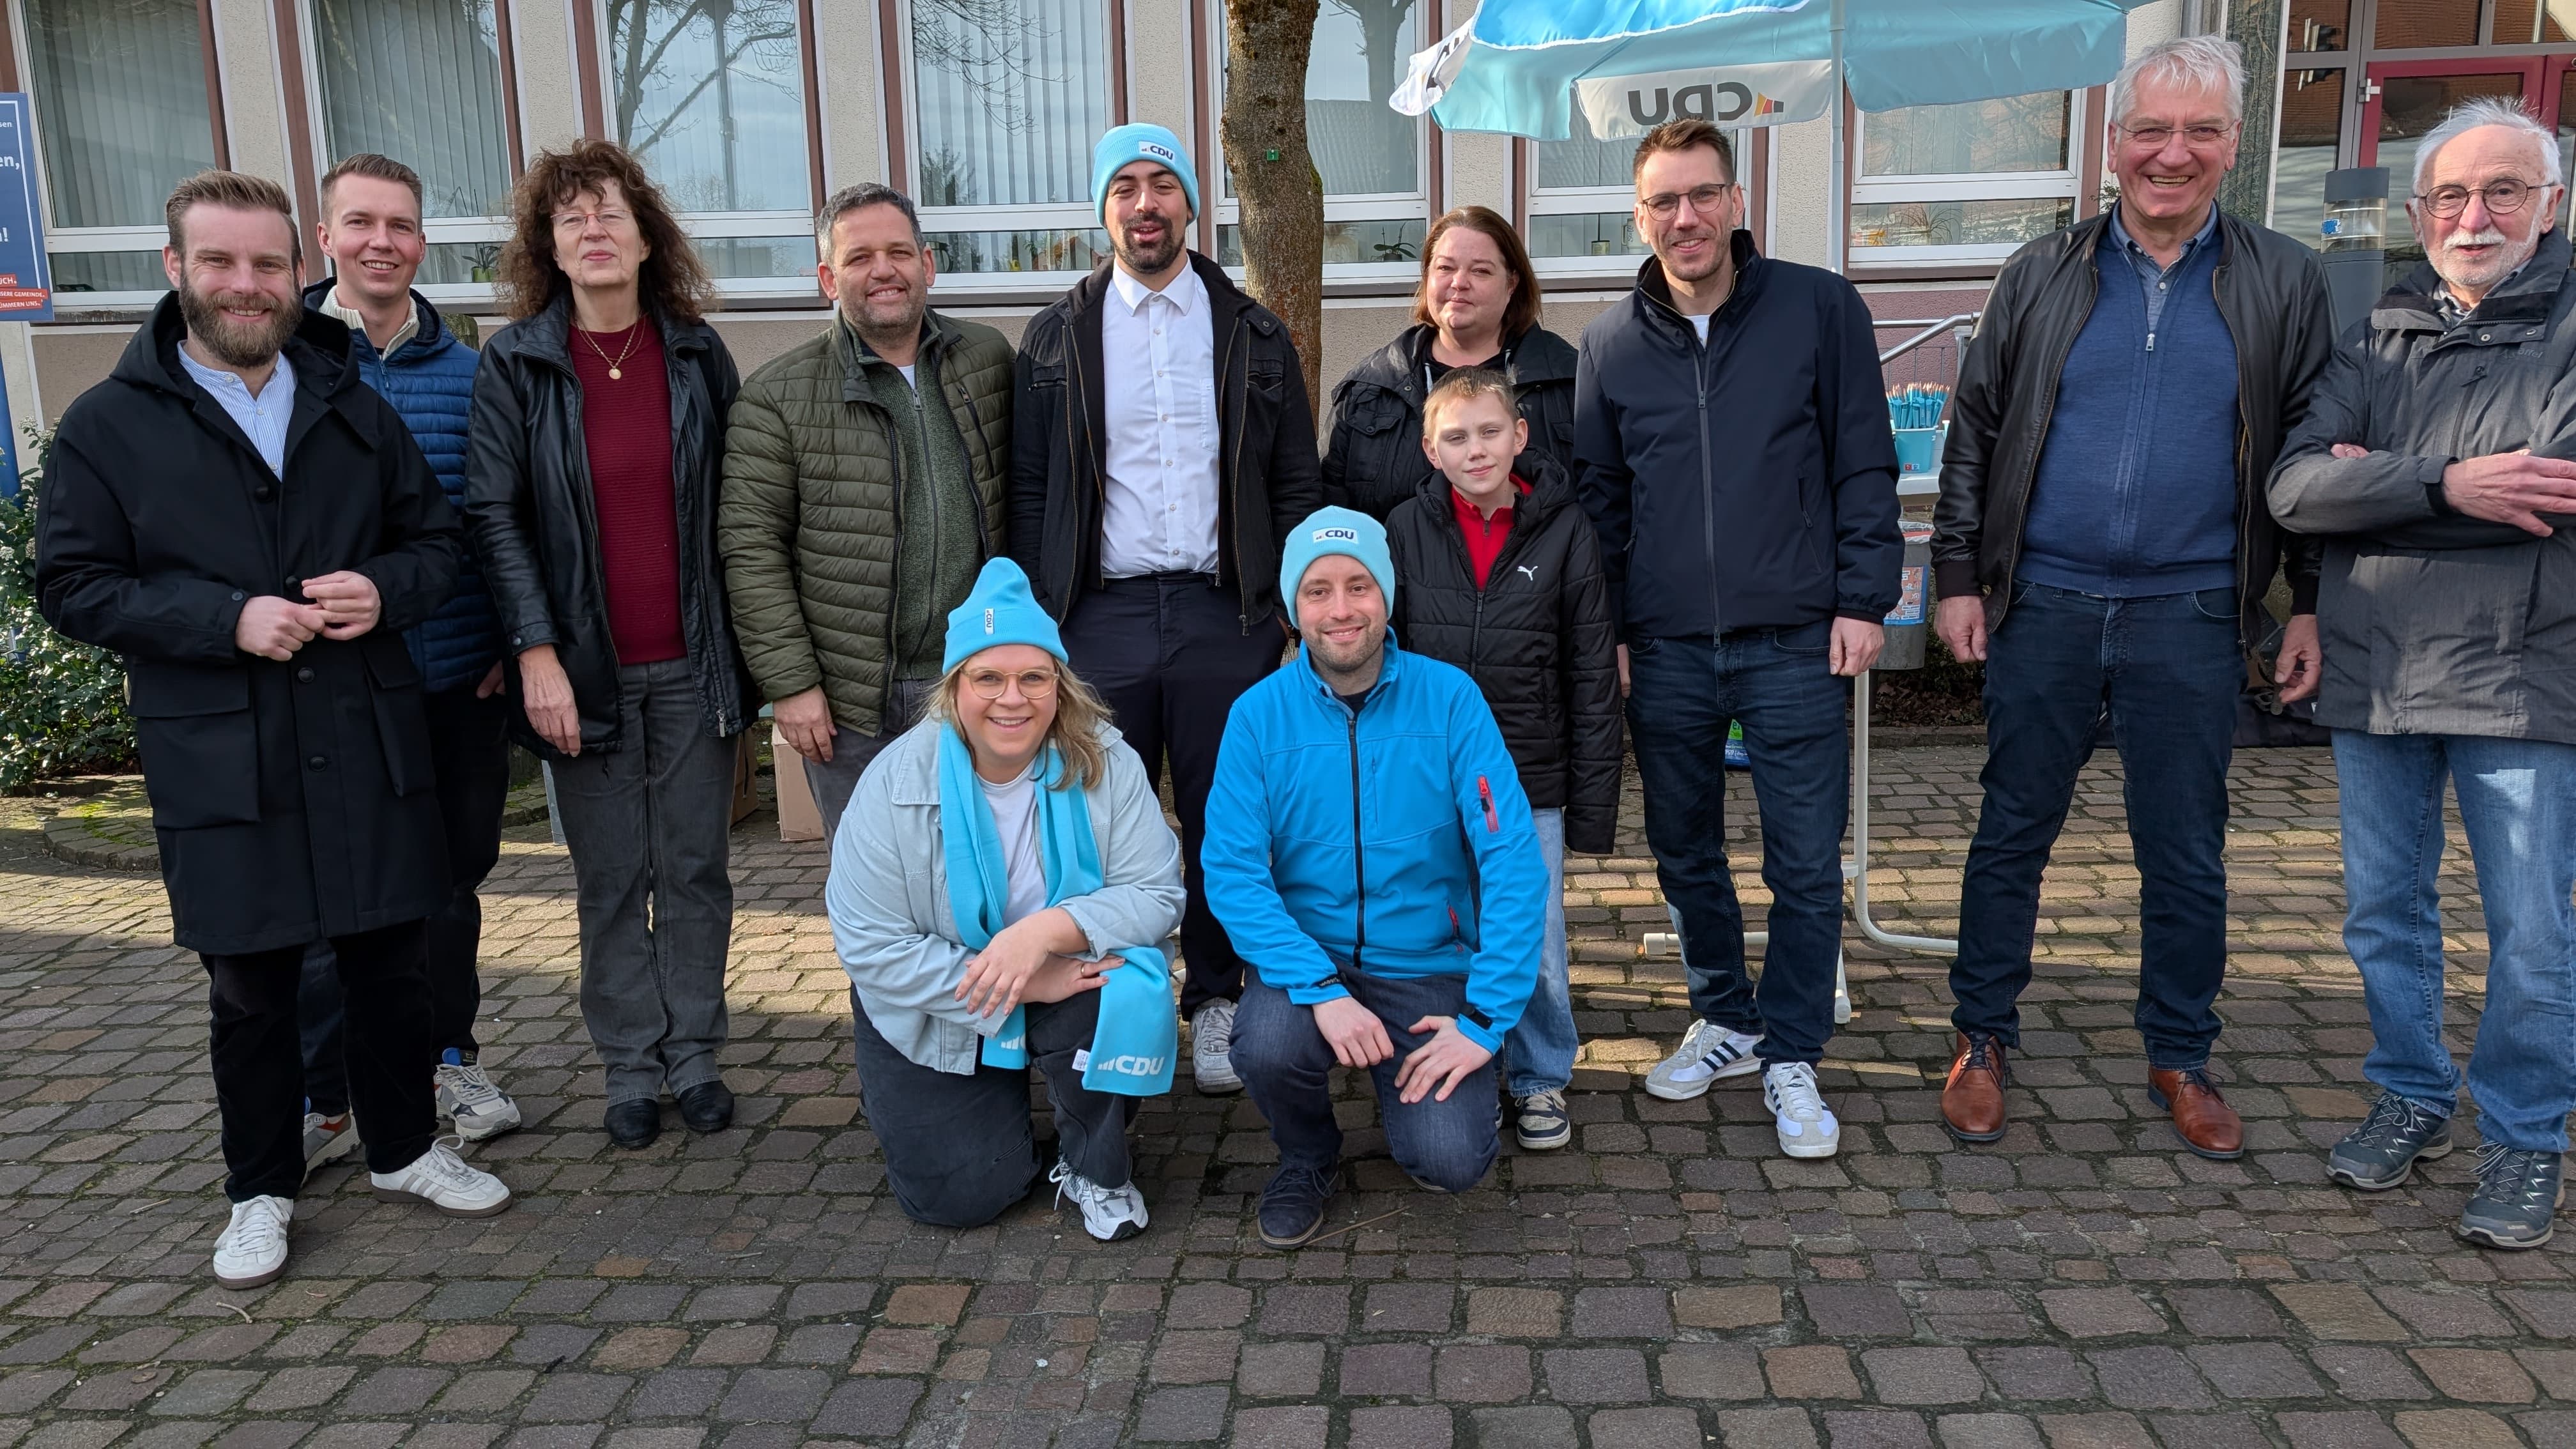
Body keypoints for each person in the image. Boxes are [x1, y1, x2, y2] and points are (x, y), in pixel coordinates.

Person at [35, 170, 514, 1291]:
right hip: (219, 743)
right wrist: (221, 616)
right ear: (177, 269)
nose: (246, 285)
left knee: (390, 957)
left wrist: (383, 591)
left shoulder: (348, 401)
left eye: (264, 263)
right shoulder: (111, 423)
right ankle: (259, 1186)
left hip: (362, 727)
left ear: (296, 271)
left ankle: (401, 1148)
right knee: (249, 983)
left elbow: (439, 545)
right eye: (221, 262)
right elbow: (71, 583)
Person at [1932, 36, 2331, 1160]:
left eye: (2199, 131)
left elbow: (2311, 456)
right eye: (2150, 129)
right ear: (2113, 145)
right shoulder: (2042, 270)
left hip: (2194, 612)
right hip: (2044, 601)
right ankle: (1979, 1037)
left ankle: (2180, 1051)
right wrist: (1956, 575)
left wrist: (2305, 601)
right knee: (2011, 831)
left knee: (2186, 849)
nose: (2172, 153)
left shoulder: (2283, 278)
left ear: (2233, 145)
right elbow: (1978, 433)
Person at [2270, 96, 2576, 1249]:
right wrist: (2453, 484)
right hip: (2377, 671)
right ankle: (2411, 1089)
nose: (2474, 214)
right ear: (2416, 212)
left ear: (2549, 205)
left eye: (2502, 190)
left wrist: (2385, 480)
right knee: (2382, 913)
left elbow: (2550, 489)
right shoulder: (2381, 327)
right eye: (2450, 194)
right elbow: (2296, 489)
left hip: (2527, 675)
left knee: (2530, 926)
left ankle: (2524, 1132)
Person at [1574, 118, 1900, 1160]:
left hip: (1795, 636)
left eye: (1702, 194)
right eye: (1664, 201)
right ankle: (1726, 1016)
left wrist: (1864, 597)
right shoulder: (1610, 343)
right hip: (1665, 646)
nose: (1685, 218)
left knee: (1804, 863)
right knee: (1685, 853)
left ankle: (1792, 1045)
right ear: (1640, 217)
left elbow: (1862, 459)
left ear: (1735, 201)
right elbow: (1600, 502)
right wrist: (1615, 628)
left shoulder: (1818, 308)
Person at [1008, 123, 1322, 1096]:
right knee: (1102, 820)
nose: (1145, 205)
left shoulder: (1252, 330)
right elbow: (1030, 487)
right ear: (1105, 212)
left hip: (1223, 617)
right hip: (1096, 617)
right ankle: (1113, 993)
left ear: (1192, 205)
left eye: (1163, 186)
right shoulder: (1058, 334)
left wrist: (1281, 614)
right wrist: (1043, 619)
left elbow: (1294, 480)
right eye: (1125, 189)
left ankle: (1216, 999)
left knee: (1229, 816)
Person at [465, 140, 752, 1151]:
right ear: (549, 244)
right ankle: (630, 1064)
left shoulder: (693, 351)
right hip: (578, 671)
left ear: (646, 235)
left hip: (693, 664)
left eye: (612, 214)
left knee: (695, 870)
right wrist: (535, 651)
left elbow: (739, 511)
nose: (594, 231)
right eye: (572, 217)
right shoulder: (516, 362)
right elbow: (493, 517)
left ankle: (696, 1054)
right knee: (609, 878)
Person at [1204, 507, 1548, 1248]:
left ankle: (1447, 1083)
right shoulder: (1256, 717)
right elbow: (1230, 870)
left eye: (1358, 586)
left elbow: (1513, 860)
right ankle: (1307, 1153)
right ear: (1294, 609)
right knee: (1264, 1046)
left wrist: (1486, 1020)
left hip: (1427, 966)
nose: (1340, 610)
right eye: (1318, 591)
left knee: (1452, 1163)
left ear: (1386, 595)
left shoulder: (1451, 699)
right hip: (1310, 961)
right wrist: (1320, 988)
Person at [827, 558, 1184, 1239]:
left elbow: (1158, 893)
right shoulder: (893, 784)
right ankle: (986, 1112)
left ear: (1060, 684)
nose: (1011, 699)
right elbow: (870, 947)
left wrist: (1050, 929)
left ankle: (1094, 1163)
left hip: (1067, 972)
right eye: (987, 678)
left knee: (1121, 983)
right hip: (941, 998)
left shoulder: (1107, 761)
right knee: (960, 1199)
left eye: (1033, 678)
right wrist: (1024, 984)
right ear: (954, 687)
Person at [293, 153, 522, 1165]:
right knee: (326, 895)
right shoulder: (283, 363)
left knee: (449, 887)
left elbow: (498, 525)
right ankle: (329, 1087)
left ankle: (447, 1055)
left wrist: (511, 643)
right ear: (326, 237)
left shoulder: (473, 376)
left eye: (401, 225)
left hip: (454, 679)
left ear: (421, 243)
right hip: (333, 688)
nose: (382, 242)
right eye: (361, 223)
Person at [722, 183, 1015, 834]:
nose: (883, 270)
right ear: (828, 277)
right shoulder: (777, 398)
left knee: (992, 877)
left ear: (928, 264)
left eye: (898, 252)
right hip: (852, 701)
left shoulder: (989, 362)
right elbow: (752, 550)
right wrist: (790, 685)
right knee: (877, 893)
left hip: (976, 681)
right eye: (858, 259)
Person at [1383, 369, 1620, 1152]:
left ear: (1520, 436)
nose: (1474, 449)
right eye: (1455, 436)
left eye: (1489, 432)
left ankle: (1541, 1073)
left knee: (1538, 941)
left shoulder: (1565, 530)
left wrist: (1591, 807)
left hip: (1531, 779)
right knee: (1451, 932)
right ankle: (1469, 1067)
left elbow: (1590, 674)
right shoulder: (1404, 530)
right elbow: (1390, 662)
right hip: (1433, 781)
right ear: (1429, 449)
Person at [1320, 206, 1578, 521]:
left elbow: (1601, 503)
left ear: (1512, 284)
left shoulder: (1570, 382)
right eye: (1445, 268)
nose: (1459, 283)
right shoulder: (1370, 388)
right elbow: (1328, 512)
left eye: (1481, 271)